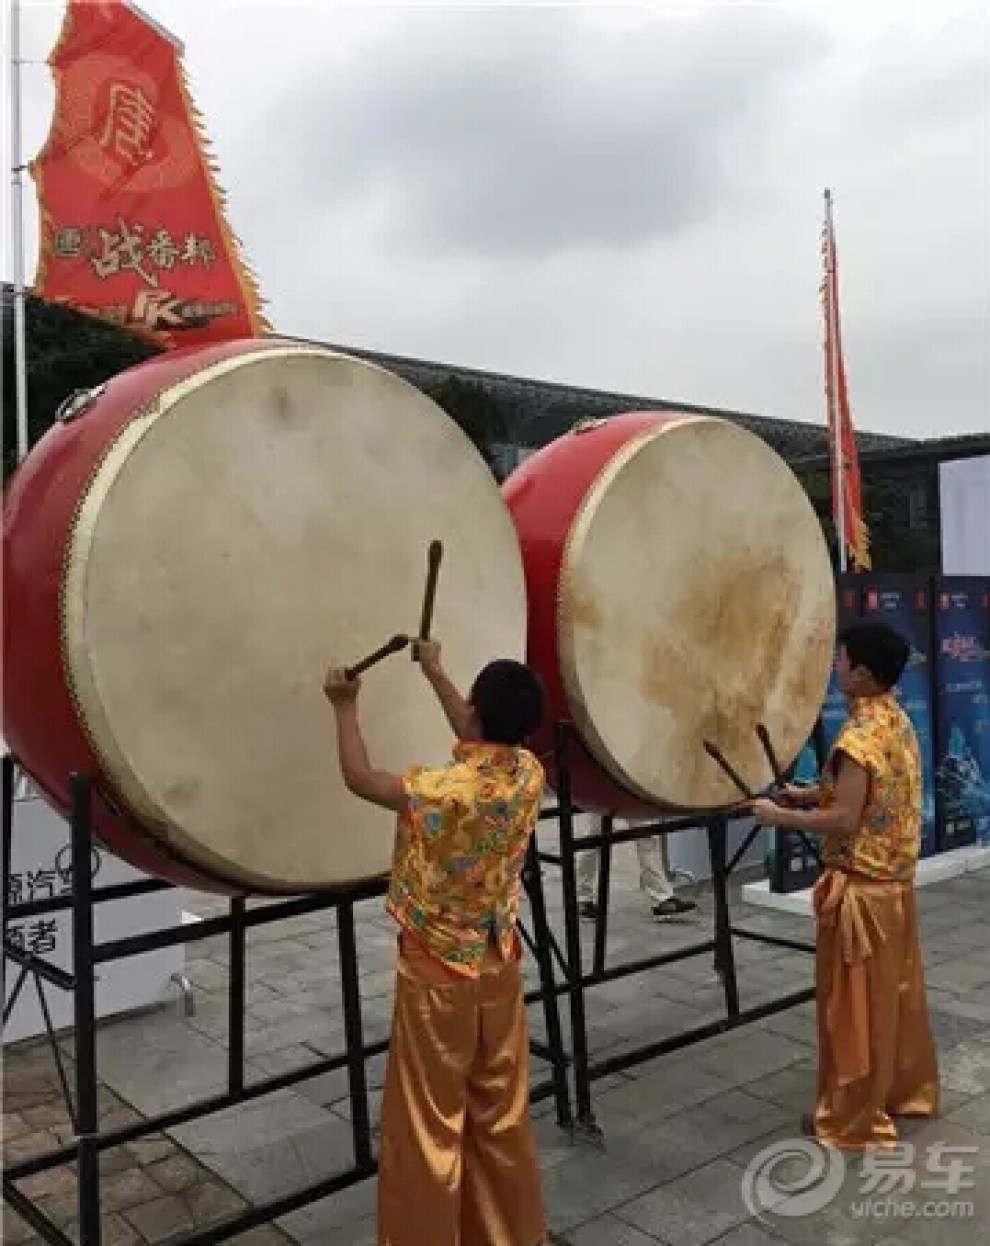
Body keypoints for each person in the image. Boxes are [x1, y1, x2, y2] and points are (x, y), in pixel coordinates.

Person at [323, 640, 550, 1246]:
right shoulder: (528, 774)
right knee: (498, 1114)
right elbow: (477, 734)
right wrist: (435, 672)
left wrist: (344, 705)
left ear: (477, 710)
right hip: (499, 965)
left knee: (429, 1124)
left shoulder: (442, 793)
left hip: (439, 974)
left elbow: (360, 779)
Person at [751, 618, 939, 1152]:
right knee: (891, 1002)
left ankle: (854, 1116)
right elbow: (860, 798)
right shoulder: (894, 720)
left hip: (863, 894)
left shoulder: (857, 738)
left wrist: (776, 815)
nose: (834, 666)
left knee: (853, 1013)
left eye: (840, 659)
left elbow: (846, 820)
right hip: (894, 890)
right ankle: (900, 1091)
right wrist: (807, 794)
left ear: (859, 672)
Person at [577, 819, 698, 921]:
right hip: (604, 791)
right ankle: (583, 899)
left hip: (634, 791)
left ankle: (663, 898)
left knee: (647, 833)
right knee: (596, 835)